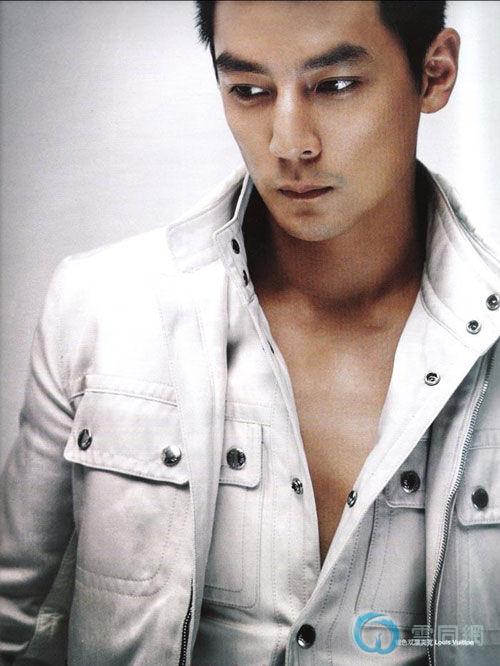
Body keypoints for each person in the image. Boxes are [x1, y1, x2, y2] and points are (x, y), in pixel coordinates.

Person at [1, 1, 499, 664]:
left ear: (434, 74)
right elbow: (14, 614)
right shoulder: (100, 305)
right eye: (250, 91)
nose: (290, 144)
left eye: (335, 85)